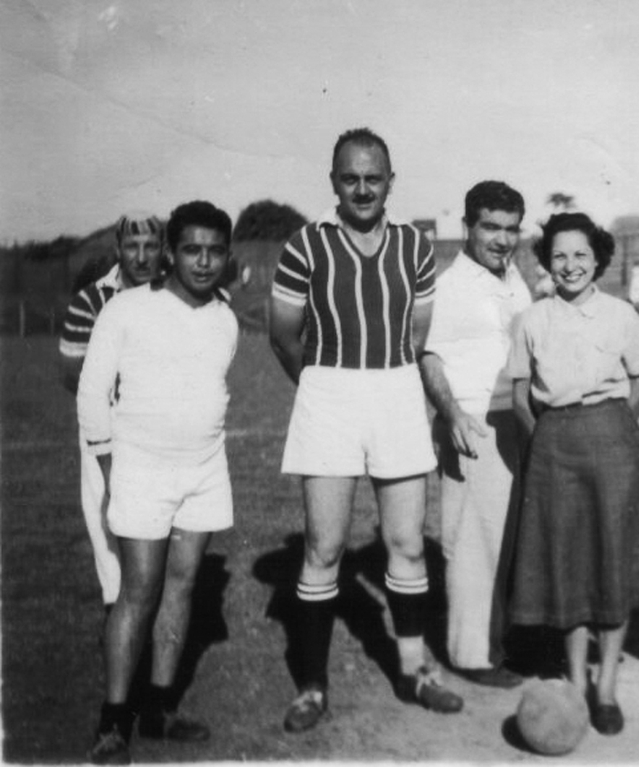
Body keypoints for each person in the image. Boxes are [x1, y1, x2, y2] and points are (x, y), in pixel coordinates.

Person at [269, 127, 463, 733]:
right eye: (349, 177)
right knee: (324, 548)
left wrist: (385, 380)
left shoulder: (414, 246)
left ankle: (414, 671)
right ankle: (312, 687)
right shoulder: (306, 243)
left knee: (405, 542)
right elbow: (282, 333)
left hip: (397, 391)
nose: (361, 188)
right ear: (333, 182)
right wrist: (323, 385)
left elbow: (418, 335)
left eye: (372, 178)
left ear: (389, 182)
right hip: (328, 392)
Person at [79, 201, 238, 765]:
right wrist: (110, 474)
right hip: (140, 471)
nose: (203, 261)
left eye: (215, 250)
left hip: (203, 471)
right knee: (138, 592)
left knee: (182, 586)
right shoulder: (124, 311)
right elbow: (91, 396)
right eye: (192, 249)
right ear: (170, 252)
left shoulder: (224, 316)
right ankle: (114, 721)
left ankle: (160, 709)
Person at [506, 212, 639, 736]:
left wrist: (613, 432)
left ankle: (606, 690)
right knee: (569, 566)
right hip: (554, 447)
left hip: (614, 443)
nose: (570, 265)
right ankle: (577, 681)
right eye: (559, 255)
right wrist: (551, 441)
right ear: (546, 262)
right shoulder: (532, 320)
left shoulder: (622, 314)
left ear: (598, 258)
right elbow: (518, 397)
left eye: (581, 254)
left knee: (612, 560)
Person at [419, 180, 531, 687]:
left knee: (506, 538)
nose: (502, 239)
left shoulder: (514, 280)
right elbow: (429, 355)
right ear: (467, 227)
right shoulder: (450, 286)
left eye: (511, 229)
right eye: (491, 227)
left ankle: (501, 640)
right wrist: (455, 415)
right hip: (474, 427)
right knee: (472, 544)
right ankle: (473, 654)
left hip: (517, 424)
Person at [60, 213, 165, 613]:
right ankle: (117, 623)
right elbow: (72, 373)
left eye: (151, 246)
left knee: (157, 533)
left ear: (163, 249)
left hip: (159, 431)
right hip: (105, 429)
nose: (141, 256)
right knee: (109, 533)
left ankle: (146, 632)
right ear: (118, 250)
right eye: (132, 247)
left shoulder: (173, 295)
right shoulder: (91, 300)